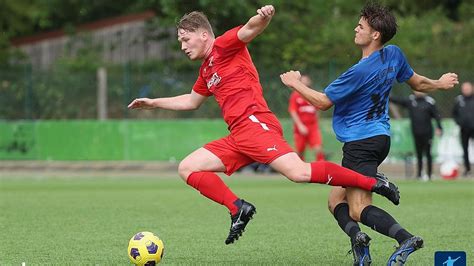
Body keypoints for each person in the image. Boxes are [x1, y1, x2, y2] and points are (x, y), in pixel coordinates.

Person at [128, 5, 400, 246]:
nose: (183, 46)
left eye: (185, 39)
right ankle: (238, 208)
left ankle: (373, 182)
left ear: (203, 35)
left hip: (256, 126)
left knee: (299, 172)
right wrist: (153, 103)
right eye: (180, 42)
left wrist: (263, 17)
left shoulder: (223, 45)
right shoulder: (207, 70)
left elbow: (249, 30)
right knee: (187, 167)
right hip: (238, 135)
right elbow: (191, 100)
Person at [280, 2, 458, 265]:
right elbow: (417, 82)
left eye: (361, 26)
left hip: (360, 143)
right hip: (378, 137)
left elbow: (322, 102)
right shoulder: (394, 55)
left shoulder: (357, 72)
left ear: (375, 34)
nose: (356, 28)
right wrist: (440, 84)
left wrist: (294, 83)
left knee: (358, 208)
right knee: (334, 201)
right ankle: (360, 245)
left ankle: (405, 238)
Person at [390, 91, 443, 180]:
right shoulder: (411, 100)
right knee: (418, 154)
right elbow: (398, 100)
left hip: (428, 132)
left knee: (428, 153)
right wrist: (386, 94)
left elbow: (437, 115)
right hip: (416, 132)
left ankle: (429, 174)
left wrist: (439, 127)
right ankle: (419, 174)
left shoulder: (430, 102)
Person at [288, 75, 325, 161]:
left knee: (318, 148)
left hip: (312, 127)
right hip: (300, 127)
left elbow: (317, 109)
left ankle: (322, 168)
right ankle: (301, 168)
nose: (304, 82)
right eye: (302, 80)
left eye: (306, 80)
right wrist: (300, 125)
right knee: (300, 151)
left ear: (309, 82)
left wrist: (316, 123)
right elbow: (293, 111)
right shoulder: (295, 95)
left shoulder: (312, 94)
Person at [452, 81, 474, 177]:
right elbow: (454, 113)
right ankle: (467, 170)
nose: (466, 90)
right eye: (464, 89)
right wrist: (459, 122)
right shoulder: (459, 100)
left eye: (468, 88)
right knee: (465, 150)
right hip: (464, 129)